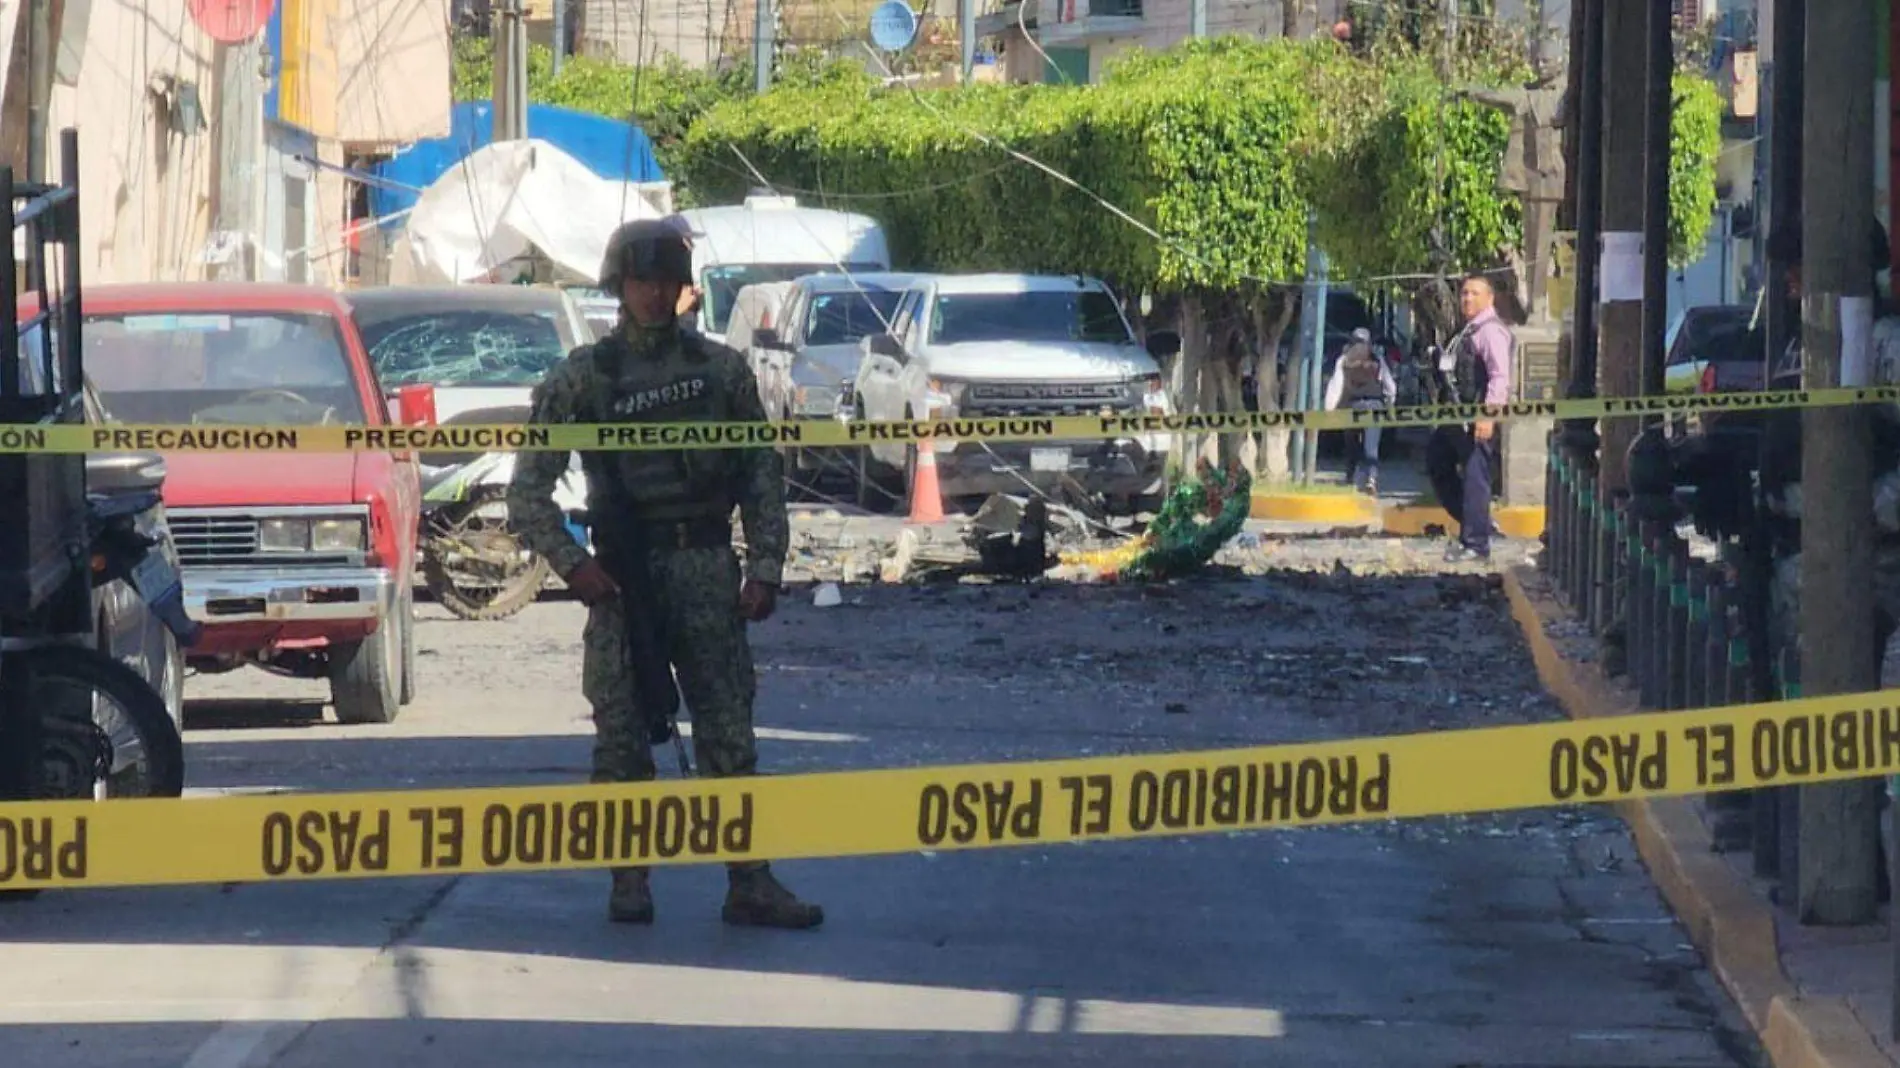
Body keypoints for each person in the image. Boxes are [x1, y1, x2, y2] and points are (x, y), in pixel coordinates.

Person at [505, 216, 823, 930]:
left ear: (684, 290)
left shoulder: (721, 371)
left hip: (707, 567)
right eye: (642, 281)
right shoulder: (583, 378)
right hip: (622, 580)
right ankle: (628, 880)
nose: (654, 295)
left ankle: (750, 880)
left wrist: (765, 567)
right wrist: (574, 565)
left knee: (727, 732)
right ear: (619, 286)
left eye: (667, 282)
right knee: (621, 736)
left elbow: (759, 474)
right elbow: (527, 492)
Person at [1426, 275, 1515, 562]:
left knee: (1476, 478)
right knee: (1437, 461)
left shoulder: (1491, 332)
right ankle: (1477, 523)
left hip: (1476, 418)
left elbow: (1500, 377)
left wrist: (1488, 415)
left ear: (1489, 298)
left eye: (1474, 294)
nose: (1467, 299)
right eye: (1464, 293)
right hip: (1456, 416)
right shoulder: (1468, 330)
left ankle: (1476, 543)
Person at [1323, 327, 1397, 495]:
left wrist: (1329, 410)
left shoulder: (1344, 360)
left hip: (1352, 406)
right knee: (1371, 446)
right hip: (1374, 406)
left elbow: (1336, 385)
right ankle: (1371, 479)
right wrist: (1390, 403)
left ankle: (1350, 477)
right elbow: (1390, 385)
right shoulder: (1377, 359)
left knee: (1351, 443)